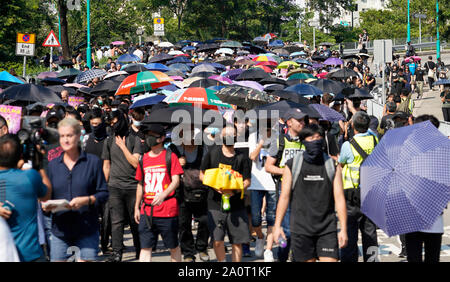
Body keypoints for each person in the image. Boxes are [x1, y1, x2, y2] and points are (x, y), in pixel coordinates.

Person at [273, 124, 348, 262]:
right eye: (311, 138)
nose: (315, 141)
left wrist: (343, 228)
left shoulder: (332, 165)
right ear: (303, 141)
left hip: (327, 228)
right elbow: (284, 197)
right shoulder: (293, 165)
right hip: (301, 228)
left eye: (318, 138)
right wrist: (277, 226)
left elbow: (339, 198)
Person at [44, 118, 108, 262]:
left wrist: (88, 200)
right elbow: (47, 195)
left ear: (79, 136)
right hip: (60, 229)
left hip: (87, 228)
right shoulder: (53, 165)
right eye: (62, 136)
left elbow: (104, 193)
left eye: (69, 135)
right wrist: (47, 205)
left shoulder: (92, 162)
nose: (65, 140)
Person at [200, 125, 252, 262]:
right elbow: (202, 175)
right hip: (215, 203)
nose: (229, 137)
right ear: (221, 137)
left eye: (232, 134)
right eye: (226, 134)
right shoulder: (212, 153)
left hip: (236, 204)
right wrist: (215, 186)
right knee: (217, 240)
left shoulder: (242, 157)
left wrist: (234, 190)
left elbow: (247, 181)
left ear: (237, 136)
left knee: (237, 241)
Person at [134, 123, 183, 262]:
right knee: (145, 248)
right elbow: (140, 184)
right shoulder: (143, 158)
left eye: (152, 135)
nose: (148, 138)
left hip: (167, 210)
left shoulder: (170, 156)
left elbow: (176, 181)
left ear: (161, 138)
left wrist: (163, 194)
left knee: (173, 247)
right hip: (147, 211)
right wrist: (137, 206)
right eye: (147, 135)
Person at [0, 134, 52, 262]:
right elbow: (47, 194)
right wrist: (40, 165)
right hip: (31, 254)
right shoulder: (31, 176)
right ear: (20, 156)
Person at [264, 108, 307, 262]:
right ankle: (282, 256)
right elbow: (268, 166)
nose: (303, 123)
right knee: (286, 231)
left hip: (304, 191)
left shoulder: (307, 141)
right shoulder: (279, 141)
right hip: (285, 190)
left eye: (303, 120)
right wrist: (287, 172)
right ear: (289, 122)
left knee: (301, 231)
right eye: (299, 120)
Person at [338, 111, 379, 262]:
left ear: (353, 125)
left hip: (351, 195)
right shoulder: (375, 140)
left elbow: (341, 164)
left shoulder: (348, 145)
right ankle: (372, 260)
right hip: (371, 192)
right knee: (370, 232)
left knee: (350, 232)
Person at [102, 109, 142, 262]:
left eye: (115, 123)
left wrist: (123, 147)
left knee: (134, 221)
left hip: (133, 187)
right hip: (114, 186)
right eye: (111, 124)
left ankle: (140, 250)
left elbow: (135, 163)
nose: (114, 126)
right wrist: (105, 185)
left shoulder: (135, 140)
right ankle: (117, 253)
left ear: (122, 120)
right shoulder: (109, 141)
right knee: (116, 222)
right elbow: (106, 165)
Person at [175, 127, 210, 262]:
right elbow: (168, 167)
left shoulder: (203, 148)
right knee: (183, 224)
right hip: (183, 193)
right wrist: (178, 163)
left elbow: (209, 166)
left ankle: (202, 248)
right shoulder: (175, 149)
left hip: (202, 191)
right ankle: (188, 252)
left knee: (205, 221)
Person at [248, 122, 277, 261]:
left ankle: (269, 250)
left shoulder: (277, 137)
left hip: (272, 183)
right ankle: (260, 236)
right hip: (256, 182)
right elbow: (252, 157)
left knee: (272, 218)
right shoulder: (253, 136)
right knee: (255, 219)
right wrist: (261, 143)